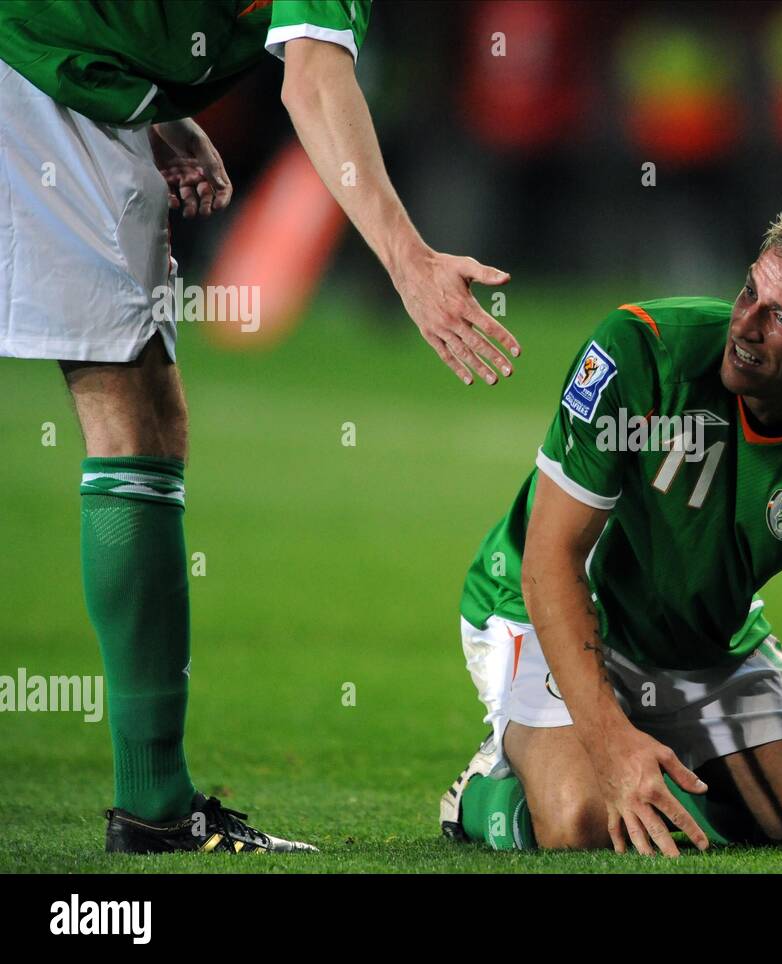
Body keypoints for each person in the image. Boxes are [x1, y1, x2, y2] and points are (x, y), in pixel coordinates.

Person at [0, 0, 519, 854]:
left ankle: (156, 803)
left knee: (147, 420)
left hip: (75, 81)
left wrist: (160, 113)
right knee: (129, 418)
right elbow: (313, 82)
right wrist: (409, 261)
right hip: (36, 69)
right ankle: (154, 810)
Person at [442, 211, 782, 860]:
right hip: (542, 608)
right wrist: (612, 748)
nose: (747, 326)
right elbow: (550, 559)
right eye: (749, 291)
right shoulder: (642, 348)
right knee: (581, 820)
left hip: (703, 638)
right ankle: (484, 793)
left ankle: (671, 785)